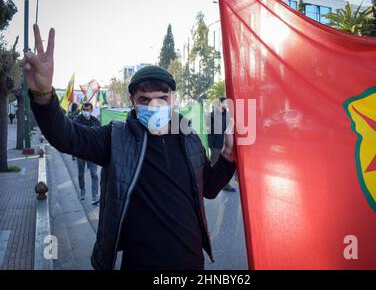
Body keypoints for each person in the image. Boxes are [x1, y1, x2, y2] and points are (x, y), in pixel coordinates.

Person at [22, 24, 236, 270]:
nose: (154, 105)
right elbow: (66, 136)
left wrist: (228, 156)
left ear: (172, 99)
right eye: (144, 100)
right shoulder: (116, 138)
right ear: (133, 103)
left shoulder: (189, 139)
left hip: (191, 264)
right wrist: (43, 94)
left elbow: (208, 188)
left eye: (161, 98)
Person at [73, 102, 101, 205]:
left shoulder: (95, 121)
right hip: (80, 151)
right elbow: (79, 131)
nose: (86, 112)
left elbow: (99, 134)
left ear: (91, 110)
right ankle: (82, 191)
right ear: (81, 109)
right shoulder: (77, 119)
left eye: (87, 110)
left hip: (92, 152)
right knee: (81, 174)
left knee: (94, 174)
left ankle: (95, 196)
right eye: (84, 110)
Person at [209, 97, 236, 192]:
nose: (228, 105)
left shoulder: (227, 115)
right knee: (216, 164)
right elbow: (209, 130)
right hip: (216, 143)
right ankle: (222, 184)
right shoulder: (212, 115)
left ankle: (226, 183)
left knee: (226, 163)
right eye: (226, 103)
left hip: (226, 143)